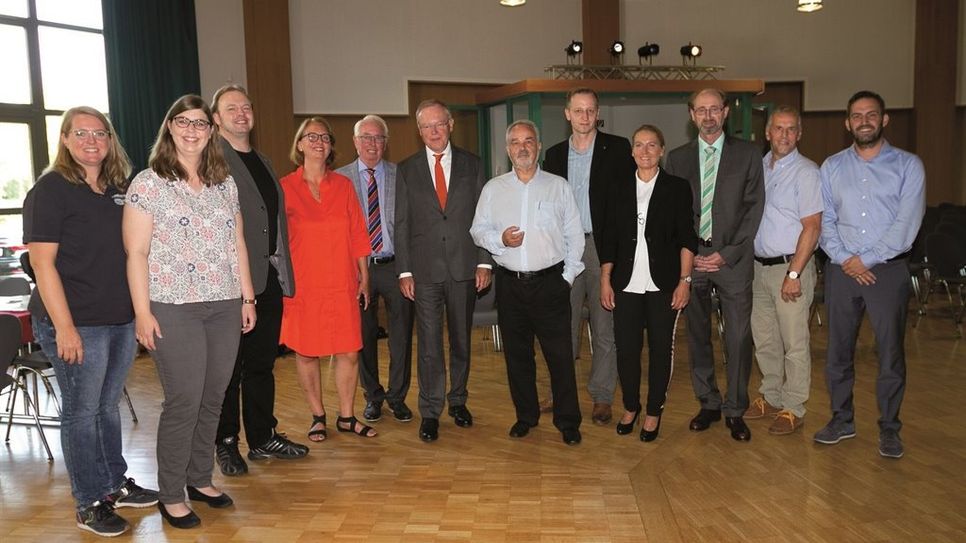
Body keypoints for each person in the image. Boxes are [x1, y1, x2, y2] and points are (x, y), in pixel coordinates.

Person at [24, 106, 158, 537]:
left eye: (99, 133)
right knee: (81, 413)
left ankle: (114, 483)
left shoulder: (118, 189)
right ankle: (89, 501)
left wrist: (138, 313)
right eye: (80, 133)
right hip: (75, 322)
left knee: (106, 407)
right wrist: (64, 328)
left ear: (110, 139)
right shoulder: (50, 191)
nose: (91, 140)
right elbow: (43, 266)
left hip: (118, 319)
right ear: (64, 140)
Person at [124, 94, 256, 529]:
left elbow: (237, 243)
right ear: (169, 128)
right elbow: (136, 252)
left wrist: (247, 297)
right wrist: (142, 313)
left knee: (214, 396)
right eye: (183, 122)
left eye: (200, 123)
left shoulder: (225, 181)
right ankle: (170, 492)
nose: (192, 130)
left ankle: (200, 478)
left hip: (223, 303)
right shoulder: (148, 182)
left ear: (211, 131)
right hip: (172, 305)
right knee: (184, 399)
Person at [814, 90, 925, 459]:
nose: (864, 121)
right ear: (847, 123)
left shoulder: (909, 166)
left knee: (890, 353)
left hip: (888, 272)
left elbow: (906, 223)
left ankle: (890, 428)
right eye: (857, 115)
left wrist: (868, 259)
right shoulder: (831, 167)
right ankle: (841, 419)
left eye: (871, 114)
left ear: (884, 120)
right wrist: (847, 259)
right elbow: (825, 220)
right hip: (842, 270)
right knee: (838, 352)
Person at [211, 85, 307, 477]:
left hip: (267, 279)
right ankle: (226, 442)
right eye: (231, 108)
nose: (241, 113)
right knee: (229, 369)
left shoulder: (264, 160)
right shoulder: (212, 161)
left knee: (261, 365)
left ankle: (263, 437)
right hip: (232, 285)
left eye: (246, 106)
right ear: (216, 119)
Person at [470, 120, 584, 445]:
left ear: (538, 146)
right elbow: (478, 229)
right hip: (509, 286)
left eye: (529, 141)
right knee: (518, 357)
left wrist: (567, 278)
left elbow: (575, 236)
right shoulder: (494, 189)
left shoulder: (558, 186)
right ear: (508, 150)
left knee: (560, 356)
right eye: (516, 142)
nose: (523, 147)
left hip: (551, 284)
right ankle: (526, 416)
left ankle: (568, 420)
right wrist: (500, 240)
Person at [665, 88, 765, 442]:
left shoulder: (749, 155)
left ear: (725, 113)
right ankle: (708, 402)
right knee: (698, 336)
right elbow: (675, 215)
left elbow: (754, 207)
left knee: (738, 338)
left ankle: (735, 409)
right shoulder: (677, 159)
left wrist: (727, 252)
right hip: (693, 260)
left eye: (714, 110)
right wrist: (691, 253)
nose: (708, 116)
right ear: (692, 115)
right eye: (701, 110)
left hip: (732, 261)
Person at [395, 99, 492, 443]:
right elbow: (402, 223)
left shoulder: (473, 164)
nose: (434, 131)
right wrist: (404, 271)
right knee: (430, 345)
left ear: (450, 124)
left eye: (440, 124)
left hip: (465, 266)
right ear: (419, 131)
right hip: (423, 271)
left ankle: (459, 401)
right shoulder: (405, 169)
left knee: (462, 341)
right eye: (427, 126)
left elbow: (485, 217)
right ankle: (431, 410)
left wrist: (484, 261)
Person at [279, 116, 376, 443]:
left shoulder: (344, 186)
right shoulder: (285, 188)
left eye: (324, 137)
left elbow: (359, 234)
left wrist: (364, 277)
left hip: (341, 282)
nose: (318, 142)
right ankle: (317, 415)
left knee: (349, 351)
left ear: (331, 145)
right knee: (307, 352)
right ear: (299, 144)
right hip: (303, 284)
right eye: (311, 136)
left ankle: (347, 416)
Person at [599, 124, 696, 443]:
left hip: (664, 284)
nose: (644, 151)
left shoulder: (677, 188)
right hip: (625, 284)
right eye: (638, 145)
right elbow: (609, 239)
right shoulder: (616, 187)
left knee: (659, 351)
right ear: (631, 152)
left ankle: (654, 411)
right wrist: (605, 279)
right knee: (626, 350)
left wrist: (685, 280)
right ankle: (630, 406)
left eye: (651, 145)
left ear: (662, 150)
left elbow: (686, 239)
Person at [542, 88, 635, 425]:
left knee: (604, 324)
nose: (584, 117)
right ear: (567, 113)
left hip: (602, 248)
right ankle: (559, 391)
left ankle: (602, 395)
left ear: (597, 114)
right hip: (563, 248)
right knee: (560, 324)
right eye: (578, 110)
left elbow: (628, 203)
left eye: (590, 110)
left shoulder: (619, 149)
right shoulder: (552, 155)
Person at [748, 106, 822, 436]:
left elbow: (813, 226)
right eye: (778, 128)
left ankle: (793, 406)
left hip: (790, 268)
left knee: (794, 343)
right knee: (764, 339)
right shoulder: (759, 167)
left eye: (791, 129)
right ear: (767, 132)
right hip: (758, 269)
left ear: (799, 134)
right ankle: (771, 395)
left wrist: (794, 274)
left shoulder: (807, 172)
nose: (784, 135)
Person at [336, 115, 415, 423]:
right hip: (358, 269)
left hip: (396, 265)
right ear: (355, 142)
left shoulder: (401, 175)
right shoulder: (340, 179)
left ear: (386, 142)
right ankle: (373, 396)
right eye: (366, 138)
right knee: (363, 335)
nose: (372, 144)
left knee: (401, 335)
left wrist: (410, 268)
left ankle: (397, 396)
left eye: (378, 138)